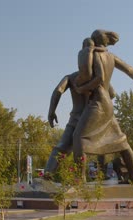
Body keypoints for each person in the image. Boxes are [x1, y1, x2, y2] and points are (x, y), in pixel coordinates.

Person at [72, 29, 133, 183]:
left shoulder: (96, 54)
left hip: (98, 101)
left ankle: (79, 180)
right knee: (121, 142)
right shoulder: (111, 56)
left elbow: (99, 78)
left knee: (79, 138)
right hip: (108, 104)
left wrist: (81, 88)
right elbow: (128, 68)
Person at [45, 38, 113, 176]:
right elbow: (111, 94)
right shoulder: (98, 79)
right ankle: (100, 174)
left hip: (77, 117)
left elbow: (58, 90)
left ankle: (50, 175)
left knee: (62, 147)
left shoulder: (71, 77)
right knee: (99, 145)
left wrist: (52, 111)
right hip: (94, 118)